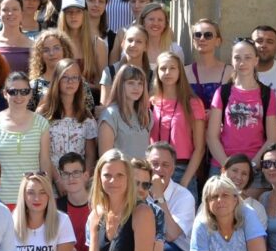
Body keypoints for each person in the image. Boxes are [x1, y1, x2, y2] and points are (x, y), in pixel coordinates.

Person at [207, 37, 276, 173]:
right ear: (232, 61)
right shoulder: (222, 92)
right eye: (237, 58)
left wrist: (251, 166)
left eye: (247, 57)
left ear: (256, 61)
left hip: (255, 167)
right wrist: (228, 166)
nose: (242, 62)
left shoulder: (267, 94)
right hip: (222, 165)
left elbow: (272, 139)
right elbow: (212, 136)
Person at [0, 71, 50, 205]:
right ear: (5, 93)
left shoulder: (41, 123)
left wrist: (46, 193)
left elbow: (45, 162)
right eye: (13, 92)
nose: (19, 96)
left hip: (32, 200)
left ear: (30, 94)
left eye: (24, 91)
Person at [150, 50, 206, 196]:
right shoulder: (150, 103)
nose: (167, 72)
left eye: (172, 68)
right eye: (163, 68)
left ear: (180, 71)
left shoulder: (193, 103)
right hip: (154, 170)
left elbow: (199, 148)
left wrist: (185, 181)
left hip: (183, 170)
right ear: (157, 72)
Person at [98, 65, 151, 159]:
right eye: (131, 83)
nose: (136, 88)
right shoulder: (110, 114)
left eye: (140, 83)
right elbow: (105, 158)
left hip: (143, 171)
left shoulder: (147, 114)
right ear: (120, 85)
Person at [58, 0, 105, 95]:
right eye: (69, 12)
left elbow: (103, 84)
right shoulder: (56, 43)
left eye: (78, 11)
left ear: (84, 14)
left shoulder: (97, 44)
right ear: (63, 15)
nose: (73, 16)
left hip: (90, 100)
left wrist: (80, 86)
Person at [186, 18, 233, 109]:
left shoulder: (230, 72)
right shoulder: (184, 71)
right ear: (193, 41)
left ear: (218, 41)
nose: (202, 39)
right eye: (198, 35)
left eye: (208, 35)